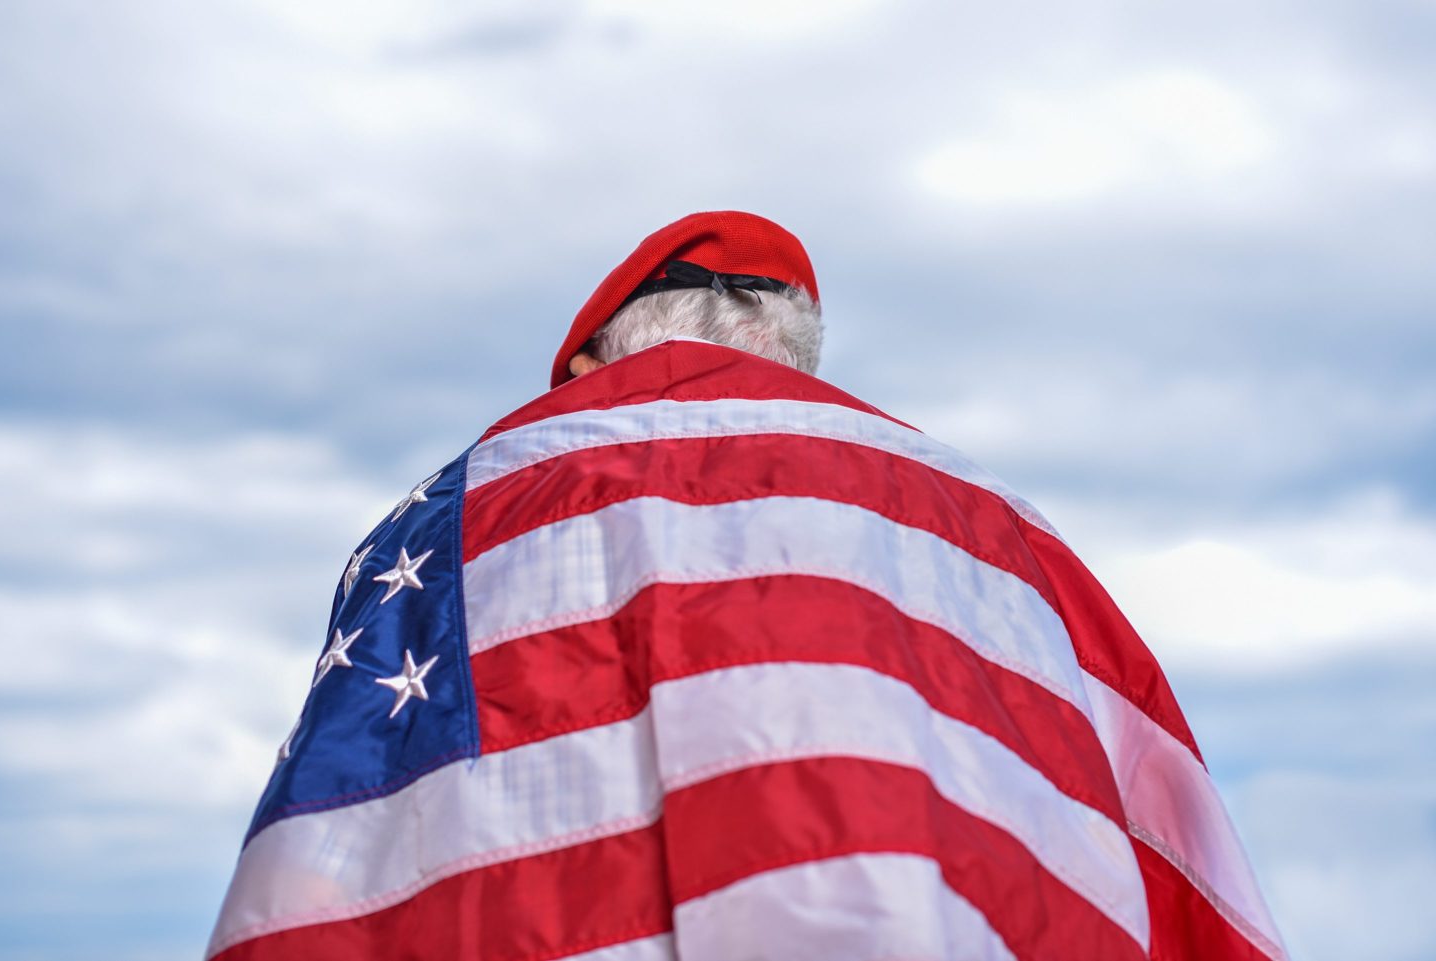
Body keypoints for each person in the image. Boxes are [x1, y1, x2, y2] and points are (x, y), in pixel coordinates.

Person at [207, 212, 1286, 961]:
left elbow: (343, 843)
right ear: (795, 347)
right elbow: (1144, 822)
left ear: (593, 358)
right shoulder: (992, 524)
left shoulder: (453, 513)